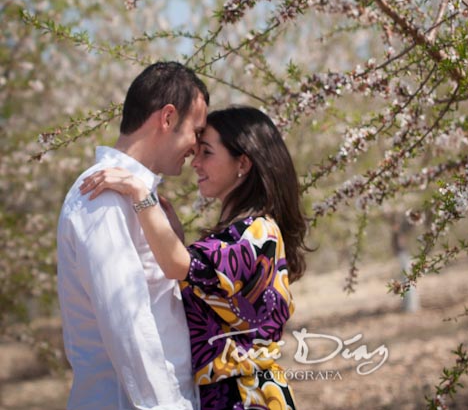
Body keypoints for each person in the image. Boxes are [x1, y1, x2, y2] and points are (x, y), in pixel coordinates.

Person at [80, 105, 309, 410]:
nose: (195, 163)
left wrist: (140, 194)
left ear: (243, 162)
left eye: (207, 153)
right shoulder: (243, 232)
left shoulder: (257, 232)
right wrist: (175, 238)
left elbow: (177, 265)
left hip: (245, 397)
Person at [57, 60, 210, 410]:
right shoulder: (102, 195)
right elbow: (128, 323)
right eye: (196, 132)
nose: (196, 148)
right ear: (168, 118)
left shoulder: (137, 193)